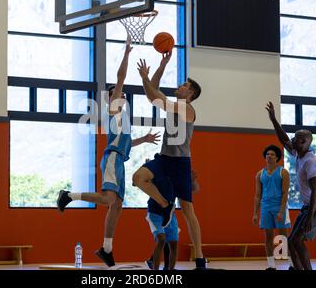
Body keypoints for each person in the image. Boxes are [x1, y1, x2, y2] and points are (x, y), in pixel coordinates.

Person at [56, 39, 161, 267]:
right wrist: (126, 52)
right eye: (115, 92)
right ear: (112, 97)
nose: (120, 93)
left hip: (119, 159)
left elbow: (124, 142)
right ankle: (68, 196)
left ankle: (107, 249)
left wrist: (144, 139)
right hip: (112, 158)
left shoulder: (123, 116)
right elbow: (121, 78)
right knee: (108, 199)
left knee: (117, 205)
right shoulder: (113, 107)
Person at [132, 52, 207, 269]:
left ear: (190, 93)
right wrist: (162, 64)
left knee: (188, 211)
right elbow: (152, 94)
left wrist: (146, 78)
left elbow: (156, 96)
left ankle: (200, 258)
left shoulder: (186, 108)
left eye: (185, 85)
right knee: (138, 178)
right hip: (164, 159)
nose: (180, 86)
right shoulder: (175, 104)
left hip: (181, 163)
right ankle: (165, 205)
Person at [265, 101, 316, 270]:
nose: (296, 142)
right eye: (296, 138)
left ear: (308, 143)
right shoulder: (297, 153)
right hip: (309, 206)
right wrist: (273, 119)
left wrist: (310, 217)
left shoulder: (310, 161)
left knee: (296, 240)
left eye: (301, 141)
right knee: (292, 241)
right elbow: (284, 139)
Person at [146, 170, 200, 270]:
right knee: (161, 238)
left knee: (173, 243)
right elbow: (136, 182)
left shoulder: (178, 177)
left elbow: (194, 189)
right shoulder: (158, 171)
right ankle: (155, 267)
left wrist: (192, 181)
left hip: (169, 213)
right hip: (155, 213)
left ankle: (168, 268)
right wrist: (148, 175)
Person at [253, 145, 292, 270]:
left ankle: (292, 263)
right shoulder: (260, 174)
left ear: (277, 158)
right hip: (266, 207)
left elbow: (285, 193)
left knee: (283, 238)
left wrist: (281, 211)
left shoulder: (283, 172)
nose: (269, 156)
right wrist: (255, 213)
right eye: (267, 154)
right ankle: (271, 265)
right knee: (268, 237)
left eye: (272, 154)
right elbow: (258, 195)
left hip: (279, 207)